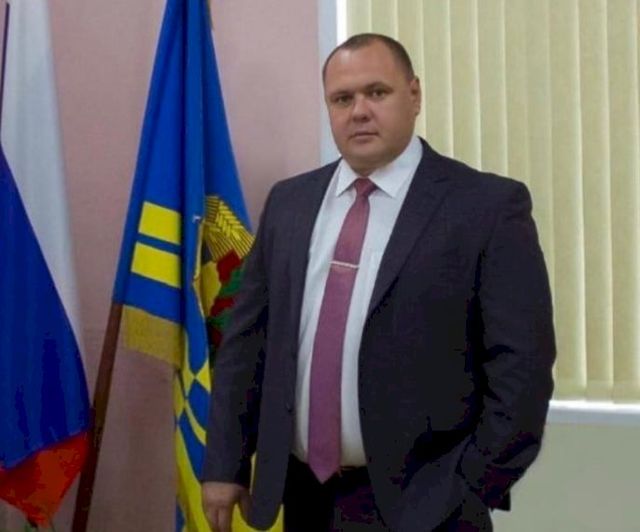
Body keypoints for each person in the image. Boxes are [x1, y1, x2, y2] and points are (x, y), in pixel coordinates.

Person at [201, 33, 555, 532]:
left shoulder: (486, 208)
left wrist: (472, 487)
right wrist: (226, 462)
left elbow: (523, 366)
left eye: (377, 92)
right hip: (304, 495)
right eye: (342, 99)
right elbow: (246, 342)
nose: (359, 112)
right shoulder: (289, 204)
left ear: (414, 95)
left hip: (428, 505)